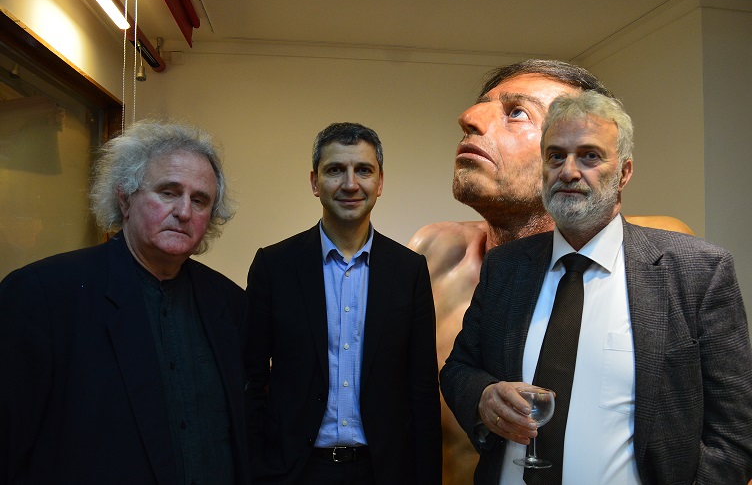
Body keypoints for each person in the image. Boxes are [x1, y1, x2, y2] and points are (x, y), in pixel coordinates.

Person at [440, 90, 752, 484]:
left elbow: (733, 435)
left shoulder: (697, 271)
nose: (569, 172)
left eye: (589, 156)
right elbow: (458, 369)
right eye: (555, 156)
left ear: (624, 172)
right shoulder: (506, 267)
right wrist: (482, 397)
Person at [407, 59, 694, 484]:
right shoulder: (435, 254)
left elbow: (723, 420)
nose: (468, 117)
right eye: (482, 105)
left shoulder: (659, 258)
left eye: (517, 112)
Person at [0, 119, 250, 484]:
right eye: (168, 192)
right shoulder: (43, 294)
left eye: (199, 200)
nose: (184, 211)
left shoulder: (230, 303)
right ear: (124, 197)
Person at [245, 122, 442, 485]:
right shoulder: (274, 267)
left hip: (383, 471)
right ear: (314, 182)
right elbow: (251, 381)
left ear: (380, 182)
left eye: (363, 170)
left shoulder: (408, 270)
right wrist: (255, 469)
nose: (350, 184)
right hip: (295, 472)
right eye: (335, 170)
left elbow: (423, 389)